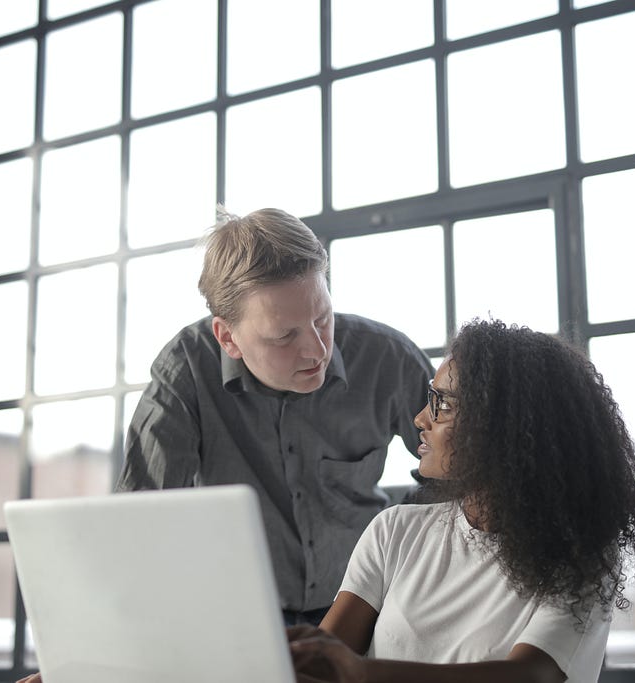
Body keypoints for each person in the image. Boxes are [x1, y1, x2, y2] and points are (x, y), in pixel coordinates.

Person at [288, 319, 635, 683]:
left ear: (503, 425)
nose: (420, 419)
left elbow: (533, 674)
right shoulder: (394, 531)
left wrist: (361, 672)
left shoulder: (581, 556)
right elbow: (326, 661)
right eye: (428, 399)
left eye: (443, 404)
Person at [117, 207, 434, 627]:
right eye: (285, 336)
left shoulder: (387, 359)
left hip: (371, 607)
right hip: (238, 618)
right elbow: (141, 521)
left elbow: (468, 471)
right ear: (228, 337)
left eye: (323, 319)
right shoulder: (186, 371)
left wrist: (405, 539)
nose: (318, 350)